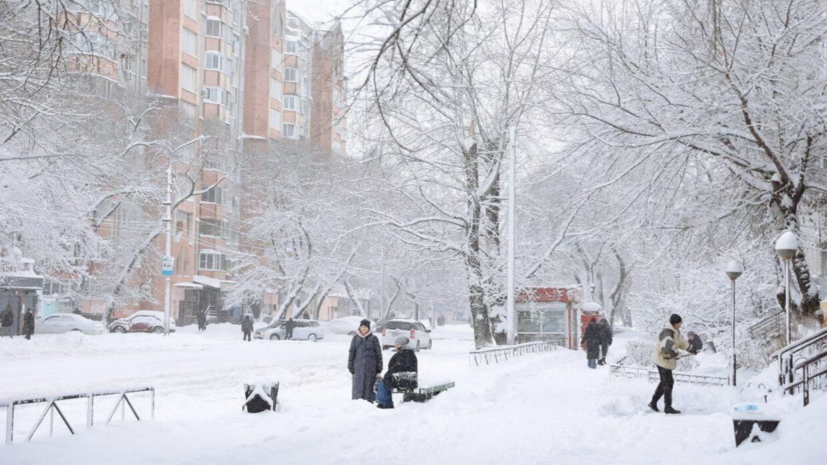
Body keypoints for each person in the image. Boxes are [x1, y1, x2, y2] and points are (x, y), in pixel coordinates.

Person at [649, 314, 695, 414]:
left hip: (667, 360)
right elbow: (667, 348)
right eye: (680, 323)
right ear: (675, 323)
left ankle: (653, 402)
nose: (681, 324)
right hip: (663, 360)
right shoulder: (667, 332)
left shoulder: (675, 331)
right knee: (668, 383)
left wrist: (691, 349)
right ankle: (667, 407)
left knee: (664, 382)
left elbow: (681, 342)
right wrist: (676, 354)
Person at [376, 336, 418, 409]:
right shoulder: (406, 353)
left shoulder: (405, 354)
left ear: (403, 345)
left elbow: (400, 368)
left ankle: (385, 403)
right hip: (403, 378)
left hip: (404, 380)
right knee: (384, 383)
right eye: (396, 343)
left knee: (383, 385)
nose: (396, 345)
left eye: (398, 344)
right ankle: (386, 403)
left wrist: (388, 375)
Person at [348, 319, 382, 403]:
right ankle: (356, 402)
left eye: (365, 327)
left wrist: (379, 367)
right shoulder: (355, 338)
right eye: (362, 327)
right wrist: (350, 365)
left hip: (371, 368)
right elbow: (352, 352)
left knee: (369, 387)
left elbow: (378, 354)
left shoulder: (374, 339)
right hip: (358, 368)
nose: (363, 329)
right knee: (358, 387)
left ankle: (369, 403)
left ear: (368, 328)